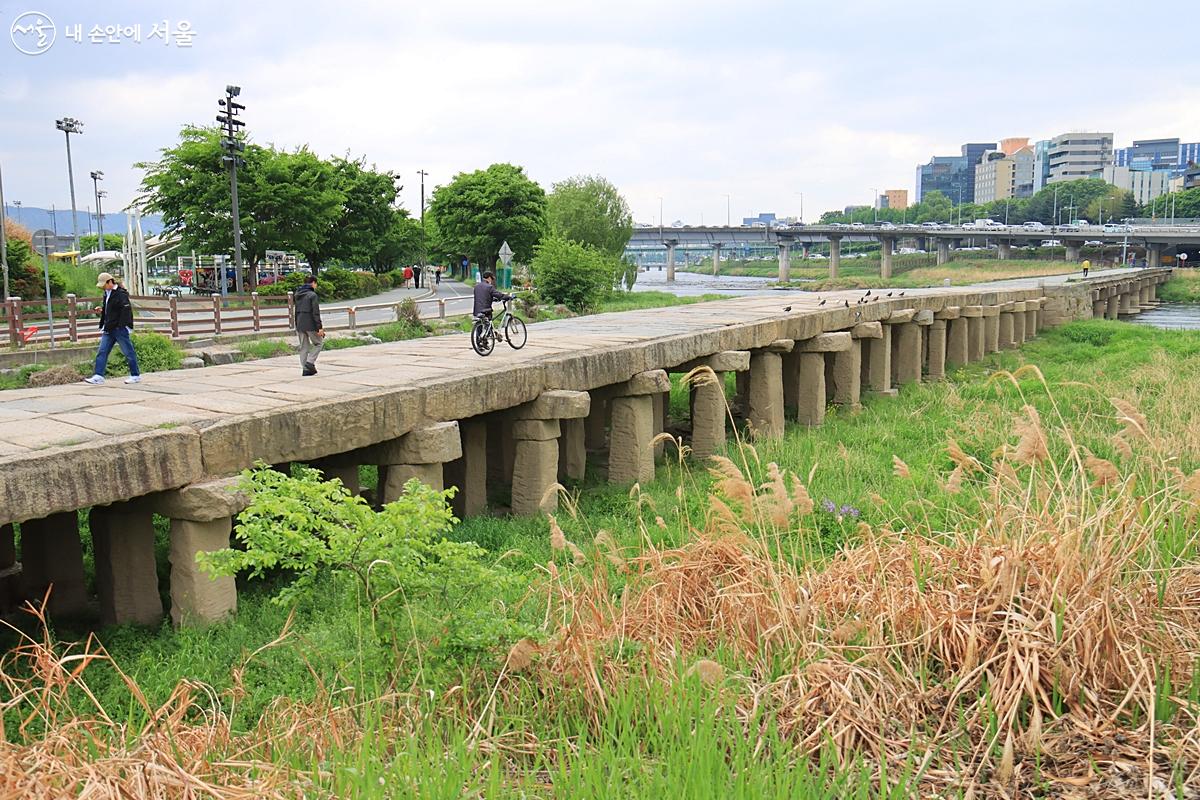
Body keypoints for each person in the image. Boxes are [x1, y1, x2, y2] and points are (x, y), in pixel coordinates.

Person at [83, 272, 141, 385]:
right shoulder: (107, 293)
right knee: (102, 352)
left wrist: (122, 325)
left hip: (119, 328)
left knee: (128, 352)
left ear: (110, 282)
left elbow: (126, 310)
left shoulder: (121, 294)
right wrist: (102, 310)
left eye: (104, 284)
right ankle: (98, 375)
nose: (103, 288)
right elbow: (110, 309)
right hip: (108, 328)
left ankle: (135, 375)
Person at [294, 274, 324, 376]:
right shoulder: (312, 295)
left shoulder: (297, 294)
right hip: (310, 324)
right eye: (316, 284)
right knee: (319, 343)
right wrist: (319, 327)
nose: (316, 286)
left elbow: (296, 311)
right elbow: (315, 312)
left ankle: (305, 369)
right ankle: (310, 362)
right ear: (313, 283)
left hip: (300, 324)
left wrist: (296, 324)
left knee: (304, 347)